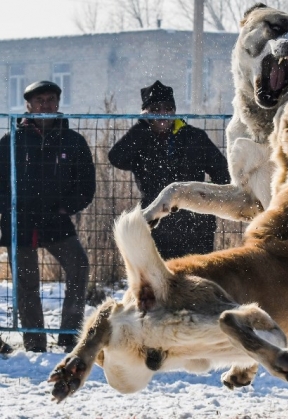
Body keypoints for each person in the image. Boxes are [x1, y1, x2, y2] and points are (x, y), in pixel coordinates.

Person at [0, 81, 96, 353]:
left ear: (58, 104)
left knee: (79, 266)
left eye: (51, 99)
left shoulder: (72, 141)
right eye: (39, 100)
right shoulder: (11, 141)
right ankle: (35, 344)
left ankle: (69, 335)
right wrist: (9, 208)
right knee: (26, 283)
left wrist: (68, 207)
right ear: (28, 106)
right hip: (19, 224)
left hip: (56, 220)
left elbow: (86, 184)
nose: (45, 105)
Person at [109, 80, 230, 259]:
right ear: (146, 114)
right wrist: (142, 126)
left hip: (196, 225)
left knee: (197, 278)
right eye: (155, 109)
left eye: (167, 108)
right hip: (157, 224)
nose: (163, 114)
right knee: (162, 281)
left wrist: (204, 193)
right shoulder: (141, 141)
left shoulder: (194, 137)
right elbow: (116, 158)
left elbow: (223, 173)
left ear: (174, 110)